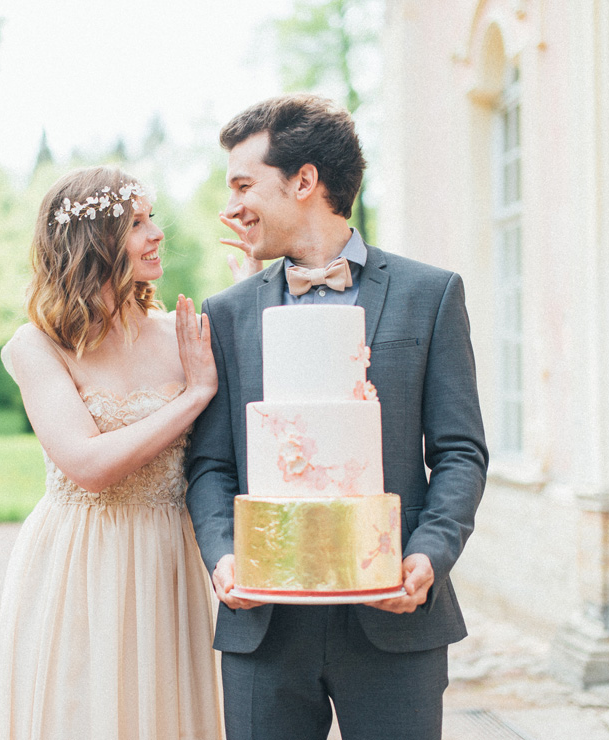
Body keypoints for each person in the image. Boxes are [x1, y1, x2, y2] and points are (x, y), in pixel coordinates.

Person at [186, 93, 489, 740]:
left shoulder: (429, 295)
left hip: (392, 619)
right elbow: (210, 463)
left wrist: (427, 557)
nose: (230, 205)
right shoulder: (228, 312)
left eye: (243, 184)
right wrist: (222, 554)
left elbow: (460, 451)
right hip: (262, 626)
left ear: (303, 181)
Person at [0, 166, 224, 740]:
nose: (157, 234)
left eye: (154, 218)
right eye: (137, 223)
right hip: (79, 563)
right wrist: (194, 396)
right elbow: (88, 465)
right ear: (91, 243)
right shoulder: (39, 344)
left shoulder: (183, 334)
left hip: (168, 560)